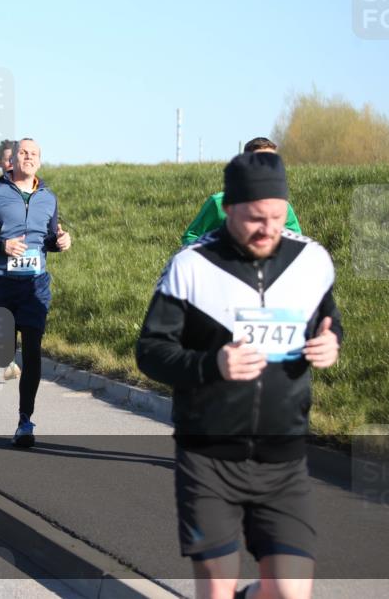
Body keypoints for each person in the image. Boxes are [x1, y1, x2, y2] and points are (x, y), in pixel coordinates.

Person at [136, 151, 342, 599]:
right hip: (209, 458)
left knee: (289, 592)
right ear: (227, 208)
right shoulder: (192, 266)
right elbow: (150, 352)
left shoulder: (312, 261)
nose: (268, 229)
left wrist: (330, 343)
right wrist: (212, 365)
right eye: (255, 218)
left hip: (283, 458)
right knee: (216, 591)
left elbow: (328, 322)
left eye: (277, 217)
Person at [0, 138, 72, 447]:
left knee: (33, 351)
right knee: (6, 352)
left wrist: (59, 243)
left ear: (39, 160)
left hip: (35, 287)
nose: (28, 157)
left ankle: (25, 422)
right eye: (23, 152)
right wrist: (1, 245)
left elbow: (48, 238)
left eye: (34, 154)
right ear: (13, 159)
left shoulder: (48, 197)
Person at [181, 137, 301, 245]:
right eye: (260, 161)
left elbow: (295, 241)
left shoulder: (283, 206)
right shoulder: (218, 203)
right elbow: (191, 237)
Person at [0, 139, 23, 383]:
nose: (12, 162)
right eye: (7, 158)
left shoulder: (36, 189)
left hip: (27, 269)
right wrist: (2, 244)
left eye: (15, 157)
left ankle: (4, 357)